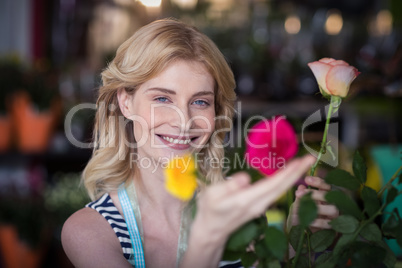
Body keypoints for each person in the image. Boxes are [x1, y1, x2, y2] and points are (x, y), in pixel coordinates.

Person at [61, 18, 338, 268]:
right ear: (126, 102)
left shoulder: (242, 220)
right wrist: (207, 239)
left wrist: (293, 239)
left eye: (200, 101)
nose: (184, 122)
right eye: (162, 98)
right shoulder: (90, 232)